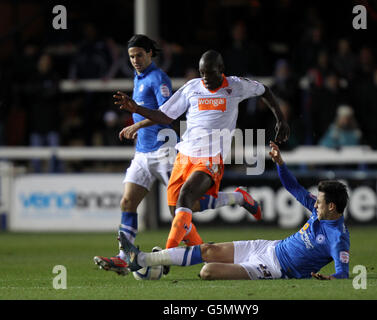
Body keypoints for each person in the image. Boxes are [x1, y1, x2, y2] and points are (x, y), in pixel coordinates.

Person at [94, 39, 262, 276]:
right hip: (142, 152)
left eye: (139, 55)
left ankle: (233, 202)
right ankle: (124, 257)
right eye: (131, 57)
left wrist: (138, 121)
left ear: (150, 53)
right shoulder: (138, 78)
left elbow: (167, 115)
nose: (135, 61)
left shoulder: (158, 79)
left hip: (164, 150)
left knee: (186, 205)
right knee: (128, 202)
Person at [114, 50, 290, 252]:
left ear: (221, 70)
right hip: (185, 154)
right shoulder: (192, 88)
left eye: (210, 73)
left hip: (211, 157)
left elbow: (264, 90)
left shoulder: (236, 85)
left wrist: (281, 119)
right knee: (178, 211)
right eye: (202, 72)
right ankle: (206, 249)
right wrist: (137, 109)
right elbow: (165, 116)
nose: (205, 78)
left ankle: (165, 254)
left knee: (185, 197)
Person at [118, 141, 350, 280]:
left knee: (207, 271)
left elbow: (343, 272)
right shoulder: (319, 210)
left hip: (274, 268)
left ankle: (159, 260)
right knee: (208, 248)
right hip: (269, 246)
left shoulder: (337, 237)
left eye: (319, 202)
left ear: (332, 207)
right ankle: (141, 259)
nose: (314, 204)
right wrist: (280, 163)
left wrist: (329, 277)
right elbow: (293, 187)